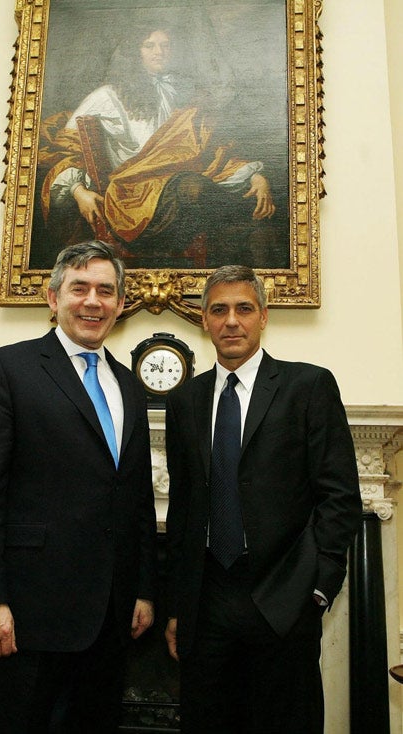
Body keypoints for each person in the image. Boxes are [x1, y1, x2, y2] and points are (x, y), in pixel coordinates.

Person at [0, 240, 158, 733]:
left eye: (106, 291)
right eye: (79, 288)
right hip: (27, 615)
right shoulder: (9, 368)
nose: (93, 301)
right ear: (53, 298)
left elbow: (136, 499)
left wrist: (145, 590)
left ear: (120, 303)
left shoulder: (129, 384)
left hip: (110, 620)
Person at [163, 265, 362, 733]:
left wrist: (317, 588)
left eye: (243, 309)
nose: (232, 321)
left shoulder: (308, 387)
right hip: (206, 601)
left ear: (264, 316)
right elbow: (183, 507)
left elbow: (339, 496)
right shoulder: (184, 401)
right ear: (204, 321)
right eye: (219, 310)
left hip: (284, 597)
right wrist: (177, 604)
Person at [38, 26, 276, 264]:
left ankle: (246, 234)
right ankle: (243, 225)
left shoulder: (180, 93)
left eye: (165, 45)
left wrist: (254, 176)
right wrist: (78, 191)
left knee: (206, 194)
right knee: (195, 189)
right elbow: (64, 147)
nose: (159, 52)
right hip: (133, 200)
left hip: (176, 191)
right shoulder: (107, 96)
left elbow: (206, 149)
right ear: (135, 52)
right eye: (149, 45)